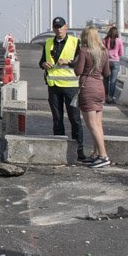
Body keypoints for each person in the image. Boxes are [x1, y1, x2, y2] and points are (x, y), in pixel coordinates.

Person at [39, 16, 85, 161]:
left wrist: (69, 62)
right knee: (57, 119)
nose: (58, 30)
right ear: (53, 29)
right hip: (53, 86)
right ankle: (59, 151)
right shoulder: (48, 43)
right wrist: (44, 64)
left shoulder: (75, 42)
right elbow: (41, 61)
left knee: (75, 119)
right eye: (56, 27)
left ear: (66, 27)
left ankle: (79, 151)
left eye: (60, 27)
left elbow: (81, 62)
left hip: (71, 87)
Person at [75, 26, 111, 168]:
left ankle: (103, 155)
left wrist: (74, 63)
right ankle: (96, 153)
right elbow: (107, 73)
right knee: (98, 124)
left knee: (92, 125)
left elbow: (78, 71)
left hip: (88, 88)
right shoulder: (104, 51)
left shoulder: (84, 51)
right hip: (100, 87)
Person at [104, 26, 124, 103]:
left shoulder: (105, 40)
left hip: (106, 62)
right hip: (115, 62)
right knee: (113, 81)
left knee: (106, 80)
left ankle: (105, 96)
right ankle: (111, 98)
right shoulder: (119, 41)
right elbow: (121, 53)